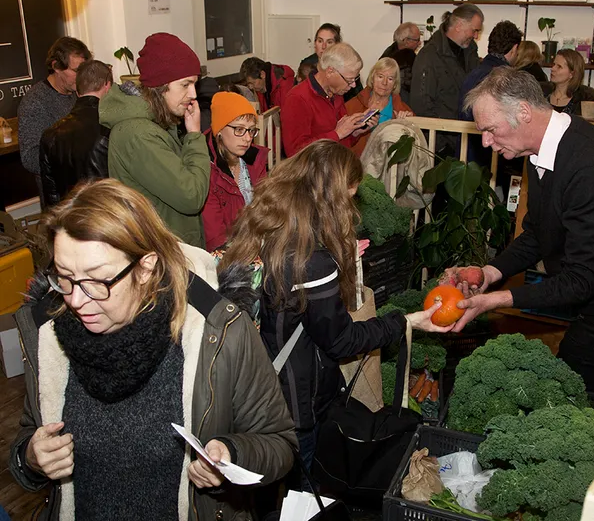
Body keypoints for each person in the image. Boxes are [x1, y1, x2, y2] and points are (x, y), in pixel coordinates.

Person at [9, 179, 297, 521]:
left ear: (146, 267)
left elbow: (279, 443)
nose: (74, 299)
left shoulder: (219, 332)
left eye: (97, 280)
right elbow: (30, 430)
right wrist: (30, 457)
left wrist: (232, 455)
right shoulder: (47, 335)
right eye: (64, 276)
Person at [218, 140, 452, 481]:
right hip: (295, 408)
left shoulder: (262, 224)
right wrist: (404, 322)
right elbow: (341, 340)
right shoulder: (311, 260)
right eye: (350, 196)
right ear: (334, 196)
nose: (352, 205)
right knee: (301, 495)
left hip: (252, 393)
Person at [452, 67, 594, 394]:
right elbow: (539, 233)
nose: (486, 141)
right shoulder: (540, 150)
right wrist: (490, 273)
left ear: (523, 112)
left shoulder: (591, 171)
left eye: (491, 129)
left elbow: (580, 280)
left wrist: (494, 300)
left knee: (572, 388)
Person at [101, 32, 210, 248]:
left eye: (195, 84)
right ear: (161, 86)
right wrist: (195, 137)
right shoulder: (138, 134)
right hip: (162, 254)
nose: (193, 94)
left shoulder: (157, 123)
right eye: (185, 84)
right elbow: (191, 195)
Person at [18, 37, 92, 201]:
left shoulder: (78, 93)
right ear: (56, 67)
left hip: (85, 189)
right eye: (76, 70)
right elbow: (30, 157)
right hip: (60, 196)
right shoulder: (35, 102)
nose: (81, 77)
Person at [281, 42, 377, 157]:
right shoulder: (298, 98)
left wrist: (355, 132)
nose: (353, 85)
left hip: (334, 164)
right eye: (349, 80)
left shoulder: (335, 92)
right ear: (330, 71)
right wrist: (337, 134)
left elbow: (340, 143)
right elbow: (295, 152)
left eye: (355, 79)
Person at [410, 3, 483, 155]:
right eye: (474, 30)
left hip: (467, 140)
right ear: (459, 25)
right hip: (441, 147)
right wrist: (441, 146)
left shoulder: (471, 52)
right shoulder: (429, 56)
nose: (476, 35)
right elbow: (422, 105)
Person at [39, 60, 113, 207]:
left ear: (78, 92)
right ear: (108, 86)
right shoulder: (111, 128)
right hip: (106, 220)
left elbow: (52, 197)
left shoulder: (50, 135)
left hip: (69, 220)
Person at [202, 92, 269, 252]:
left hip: (255, 242)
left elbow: (265, 208)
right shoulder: (206, 170)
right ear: (219, 130)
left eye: (251, 131)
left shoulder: (255, 159)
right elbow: (216, 239)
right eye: (239, 129)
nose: (247, 138)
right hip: (227, 253)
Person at [458, 20, 523, 166]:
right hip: (490, 159)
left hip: (466, 155)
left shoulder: (473, 74)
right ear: (514, 48)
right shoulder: (506, 78)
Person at [345, 58, 414, 156]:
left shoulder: (403, 110)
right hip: (357, 165)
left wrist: (407, 126)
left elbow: (412, 147)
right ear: (372, 78)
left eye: (390, 79)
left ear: (395, 84)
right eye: (380, 76)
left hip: (389, 166)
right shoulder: (352, 105)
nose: (384, 83)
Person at [298, 23, 363, 102]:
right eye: (320, 41)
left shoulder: (348, 67)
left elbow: (356, 99)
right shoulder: (306, 64)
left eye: (329, 42)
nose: (324, 46)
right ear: (315, 44)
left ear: (337, 45)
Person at [380, 22, 422, 104]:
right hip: (402, 102)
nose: (419, 43)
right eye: (417, 40)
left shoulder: (388, 53)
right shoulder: (408, 56)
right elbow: (411, 85)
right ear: (406, 41)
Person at [548, 49, 594, 116]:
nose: (552, 69)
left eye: (559, 66)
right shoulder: (542, 94)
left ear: (572, 73)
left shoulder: (584, 99)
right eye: (553, 64)